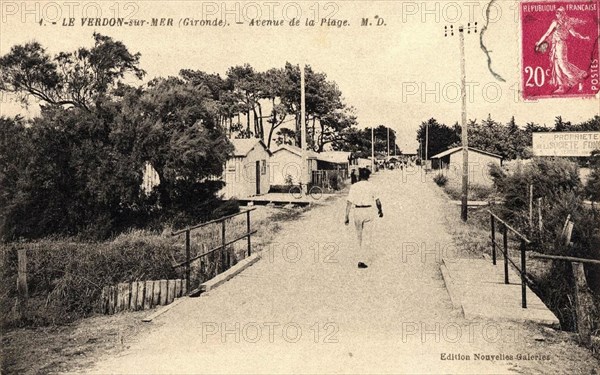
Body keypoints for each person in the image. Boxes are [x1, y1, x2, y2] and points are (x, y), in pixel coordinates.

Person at [535, 7, 590, 94]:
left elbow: (574, 34)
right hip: (555, 45)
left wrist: (583, 37)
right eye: (556, 13)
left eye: (559, 13)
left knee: (563, 65)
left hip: (561, 45)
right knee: (557, 65)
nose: (557, 15)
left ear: (563, 14)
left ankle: (579, 79)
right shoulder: (555, 22)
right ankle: (561, 87)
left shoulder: (566, 24)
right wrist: (539, 43)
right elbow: (547, 34)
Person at [344, 168, 383, 269]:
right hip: (368, 211)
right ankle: (362, 259)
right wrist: (380, 211)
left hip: (357, 211)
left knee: (359, 236)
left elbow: (349, 202)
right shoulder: (372, 186)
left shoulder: (354, 186)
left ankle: (360, 257)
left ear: (359, 176)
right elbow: (378, 201)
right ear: (368, 176)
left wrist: (346, 216)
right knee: (367, 236)